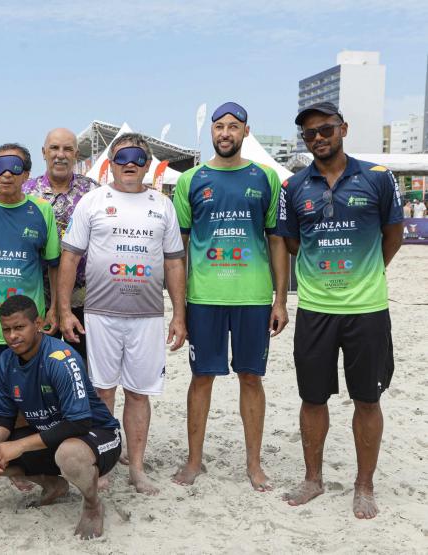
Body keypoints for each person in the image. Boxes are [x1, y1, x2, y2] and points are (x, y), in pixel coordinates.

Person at [277, 101, 403, 519]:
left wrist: (366, 273)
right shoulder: (294, 187)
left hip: (367, 309)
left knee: (367, 399)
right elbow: (293, 244)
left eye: (325, 129)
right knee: (312, 398)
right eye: (309, 133)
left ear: (343, 128)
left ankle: (363, 485)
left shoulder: (378, 179)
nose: (317, 138)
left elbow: (393, 235)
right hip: (315, 308)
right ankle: (313, 479)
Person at [58, 133, 187, 495]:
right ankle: (105, 465)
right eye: (122, 157)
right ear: (111, 162)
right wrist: (64, 309)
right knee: (102, 392)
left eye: (138, 157)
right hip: (101, 314)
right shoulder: (93, 202)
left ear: (147, 164)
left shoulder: (162, 205)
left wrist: (179, 314)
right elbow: (70, 257)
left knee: (139, 393)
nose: (130, 163)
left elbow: (175, 262)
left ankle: (138, 468)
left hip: (147, 315)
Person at [170, 102, 289, 491]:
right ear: (212, 133)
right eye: (219, 126)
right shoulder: (191, 181)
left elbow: (275, 240)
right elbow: (179, 251)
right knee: (201, 377)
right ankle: (194, 461)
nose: (225, 133)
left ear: (246, 132)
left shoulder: (266, 178)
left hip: (253, 297)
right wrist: (179, 309)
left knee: (251, 378)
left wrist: (280, 300)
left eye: (233, 126)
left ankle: (254, 465)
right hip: (204, 297)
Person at [0, 295, 121, 539]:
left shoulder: (61, 358)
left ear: (38, 323)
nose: (12, 336)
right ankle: (52, 484)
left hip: (97, 435)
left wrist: (18, 446)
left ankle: (93, 505)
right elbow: (4, 417)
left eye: (19, 327)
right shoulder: (5, 361)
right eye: (6, 329)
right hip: (51, 436)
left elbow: (79, 422)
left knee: (69, 453)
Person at [0, 143, 61, 443]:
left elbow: (54, 265)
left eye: (14, 167)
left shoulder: (42, 211)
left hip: (27, 329)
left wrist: (56, 309)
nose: (6, 174)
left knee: (25, 398)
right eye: (0, 167)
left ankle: (14, 461)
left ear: (27, 174)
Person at [23, 128, 100, 367]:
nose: (60, 155)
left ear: (76, 154)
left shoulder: (94, 192)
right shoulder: (25, 192)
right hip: (38, 300)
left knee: (84, 371)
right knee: (39, 371)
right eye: (54, 148)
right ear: (44, 152)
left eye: (67, 149)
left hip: (84, 300)